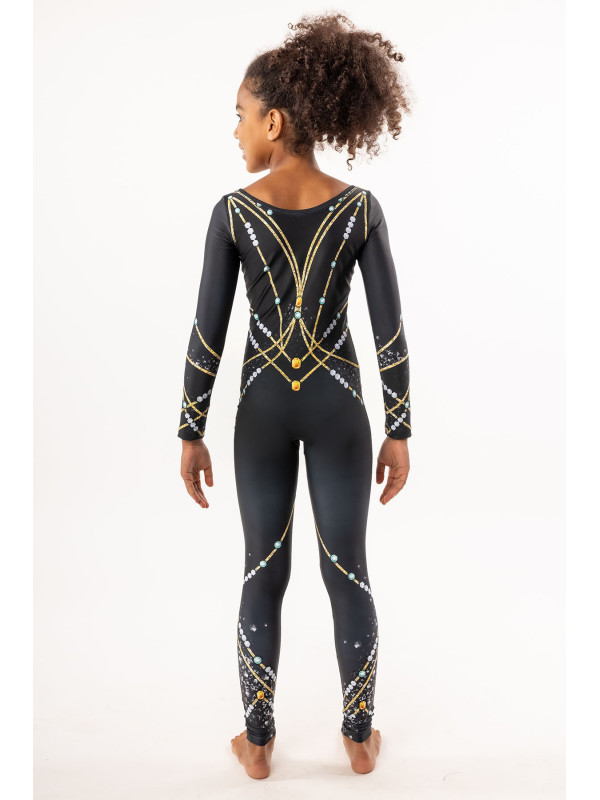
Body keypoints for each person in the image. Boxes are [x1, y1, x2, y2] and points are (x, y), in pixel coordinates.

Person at [177, 12, 413, 779]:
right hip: (341, 410)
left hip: (262, 413)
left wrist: (190, 430)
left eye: (241, 114)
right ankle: (359, 738)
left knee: (263, 569)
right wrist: (399, 428)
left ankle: (257, 743)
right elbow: (389, 332)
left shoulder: (234, 213)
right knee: (347, 568)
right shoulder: (360, 210)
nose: (236, 130)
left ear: (274, 122)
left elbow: (207, 335)